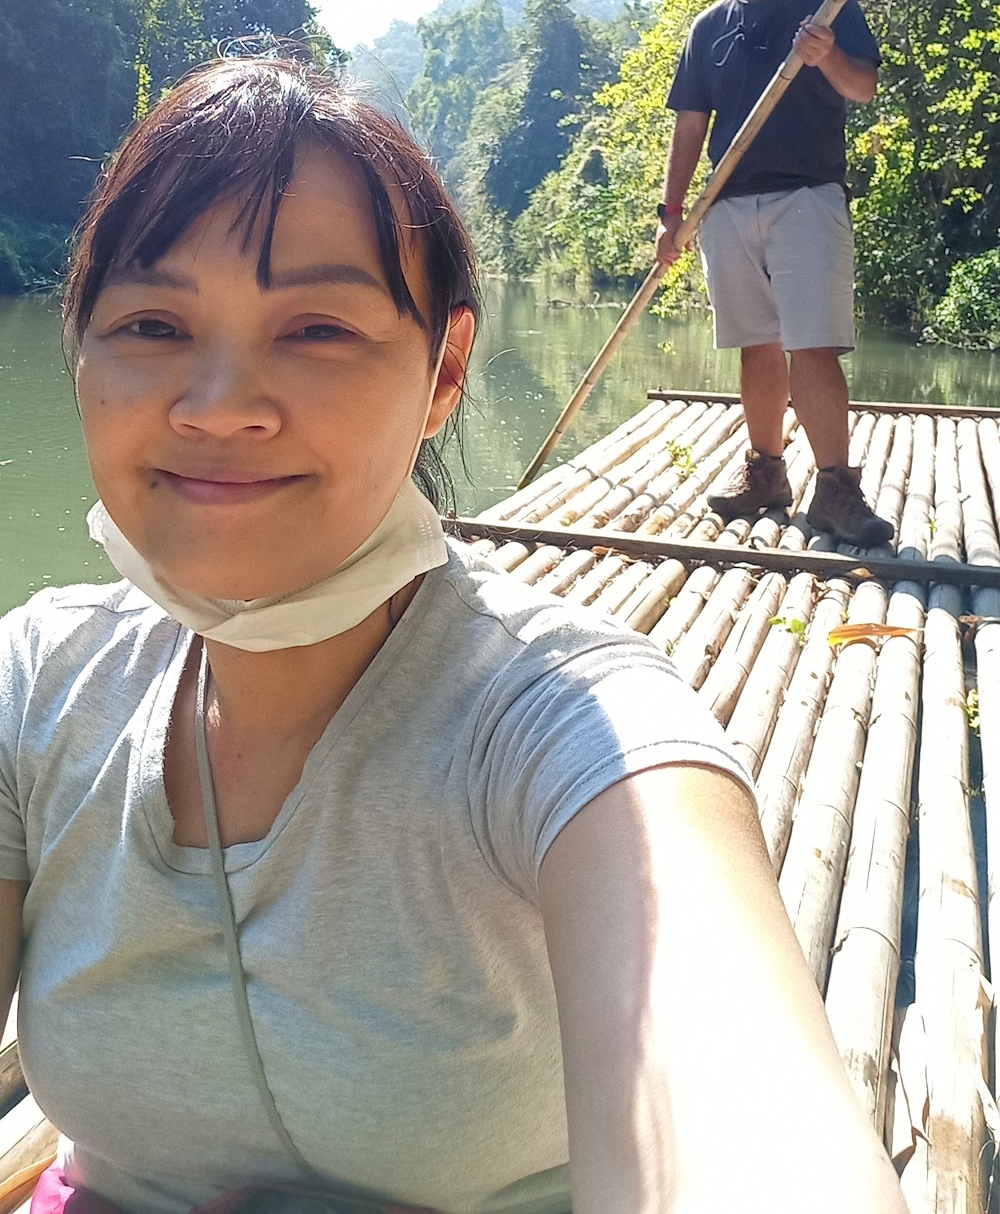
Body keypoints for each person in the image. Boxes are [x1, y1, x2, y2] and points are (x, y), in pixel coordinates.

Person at [0, 58, 904, 1214]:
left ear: (445, 374)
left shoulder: (568, 721)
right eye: (151, 323)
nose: (221, 402)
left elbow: (742, 1110)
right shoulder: (40, 686)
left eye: (318, 326)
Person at [655, 0, 893, 548]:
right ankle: (767, 474)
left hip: (806, 196)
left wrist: (826, 57)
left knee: (811, 343)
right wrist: (672, 213)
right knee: (754, 345)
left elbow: (865, 87)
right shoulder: (710, 28)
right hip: (727, 204)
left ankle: (837, 488)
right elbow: (690, 124)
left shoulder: (825, 7)